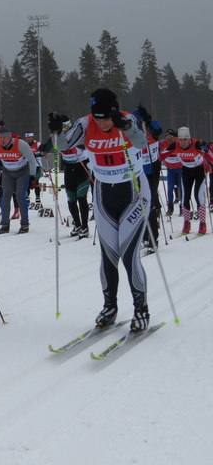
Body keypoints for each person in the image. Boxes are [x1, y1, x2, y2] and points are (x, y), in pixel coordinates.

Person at [49, 87, 150, 332]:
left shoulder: (127, 120)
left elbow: (141, 142)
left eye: (106, 118)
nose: (102, 123)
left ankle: (141, 309)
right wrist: (56, 130)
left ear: (114, 113)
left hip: (134, 192)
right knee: (108, 256)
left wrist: (126, 127)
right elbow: (62, 146)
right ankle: (110, 306)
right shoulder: (85, 124)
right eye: (98, 118)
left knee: (129, 254)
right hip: (104, 193)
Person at [0, 127, 38, 234]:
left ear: (10, 137)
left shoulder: (21, 144)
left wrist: (32, 176)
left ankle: (24, 224)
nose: (2, 140)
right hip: (7, 172)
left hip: (22, 172)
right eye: (0, 137)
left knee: (20, 195)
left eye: (4, 137)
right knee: (5, 196)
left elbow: (31, 160)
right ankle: (5, 224)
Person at [41, 136, 91, 238]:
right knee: (71, 199)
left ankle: (85, 227)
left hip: (82, 168)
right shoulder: (56, 136)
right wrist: (43, 149)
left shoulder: (78, 134)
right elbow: (46, 148)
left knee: (81, 197)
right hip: (69, 170)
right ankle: (77, 225)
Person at [168, 126, 212, 235]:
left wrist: (206, 150)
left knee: (198, 196)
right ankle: (186, 222)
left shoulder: (197, 143)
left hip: (199, 171)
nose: (183, 142)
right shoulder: (175, 145)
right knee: (185, 197)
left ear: (189, 139)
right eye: (180, 140)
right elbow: (162, 154)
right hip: (186, 171)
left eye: (185, 139)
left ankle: (202, 223)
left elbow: (209, 152)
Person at [132, 105, 163, 249]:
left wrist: (148, 121)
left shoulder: (150, 128)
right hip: (137, 171)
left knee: (148, 203)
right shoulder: (132, 131)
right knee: (138, 204)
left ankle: (153, 238)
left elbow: (158, 130)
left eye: (139, 121)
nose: (138, 124)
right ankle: (144, 235)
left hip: (152, 169)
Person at [159, 129, 183, 216]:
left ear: (174, 137)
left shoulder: (179, 142)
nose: (169, 139)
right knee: (169, 189)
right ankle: (170, 208)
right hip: (170, 169)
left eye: (171, 137)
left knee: (181, 188)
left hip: (180, 169)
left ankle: (182, 207)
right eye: (167, 137)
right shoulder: (163, 143)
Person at [24, 131, 44, 205]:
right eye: (27, 138)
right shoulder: (24, 145)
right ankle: (27, 197)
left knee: (35, 181)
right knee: (27, 182)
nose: (28, 139)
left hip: (36, 165)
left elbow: (43, 152)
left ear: (32, 137)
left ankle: (37, 198)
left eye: (29, 137)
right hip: (27, 166)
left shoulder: (37, 143)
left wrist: (36, 154)